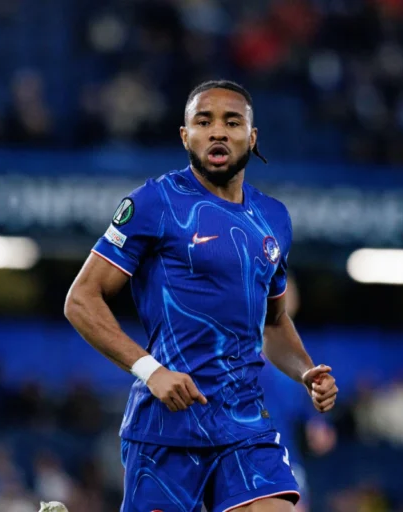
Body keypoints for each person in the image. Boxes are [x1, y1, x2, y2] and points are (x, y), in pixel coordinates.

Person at [64, 80, 338, 512]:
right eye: (203, 121)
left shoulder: (274, 218)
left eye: (232, 122)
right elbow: (81, 299)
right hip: (166, 430)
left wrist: (305, 371)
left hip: (246, 424)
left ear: (252, 137)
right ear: (184, 135)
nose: (218, 132)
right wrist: (151, 371)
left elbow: (273, 321)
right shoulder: (154, 202)